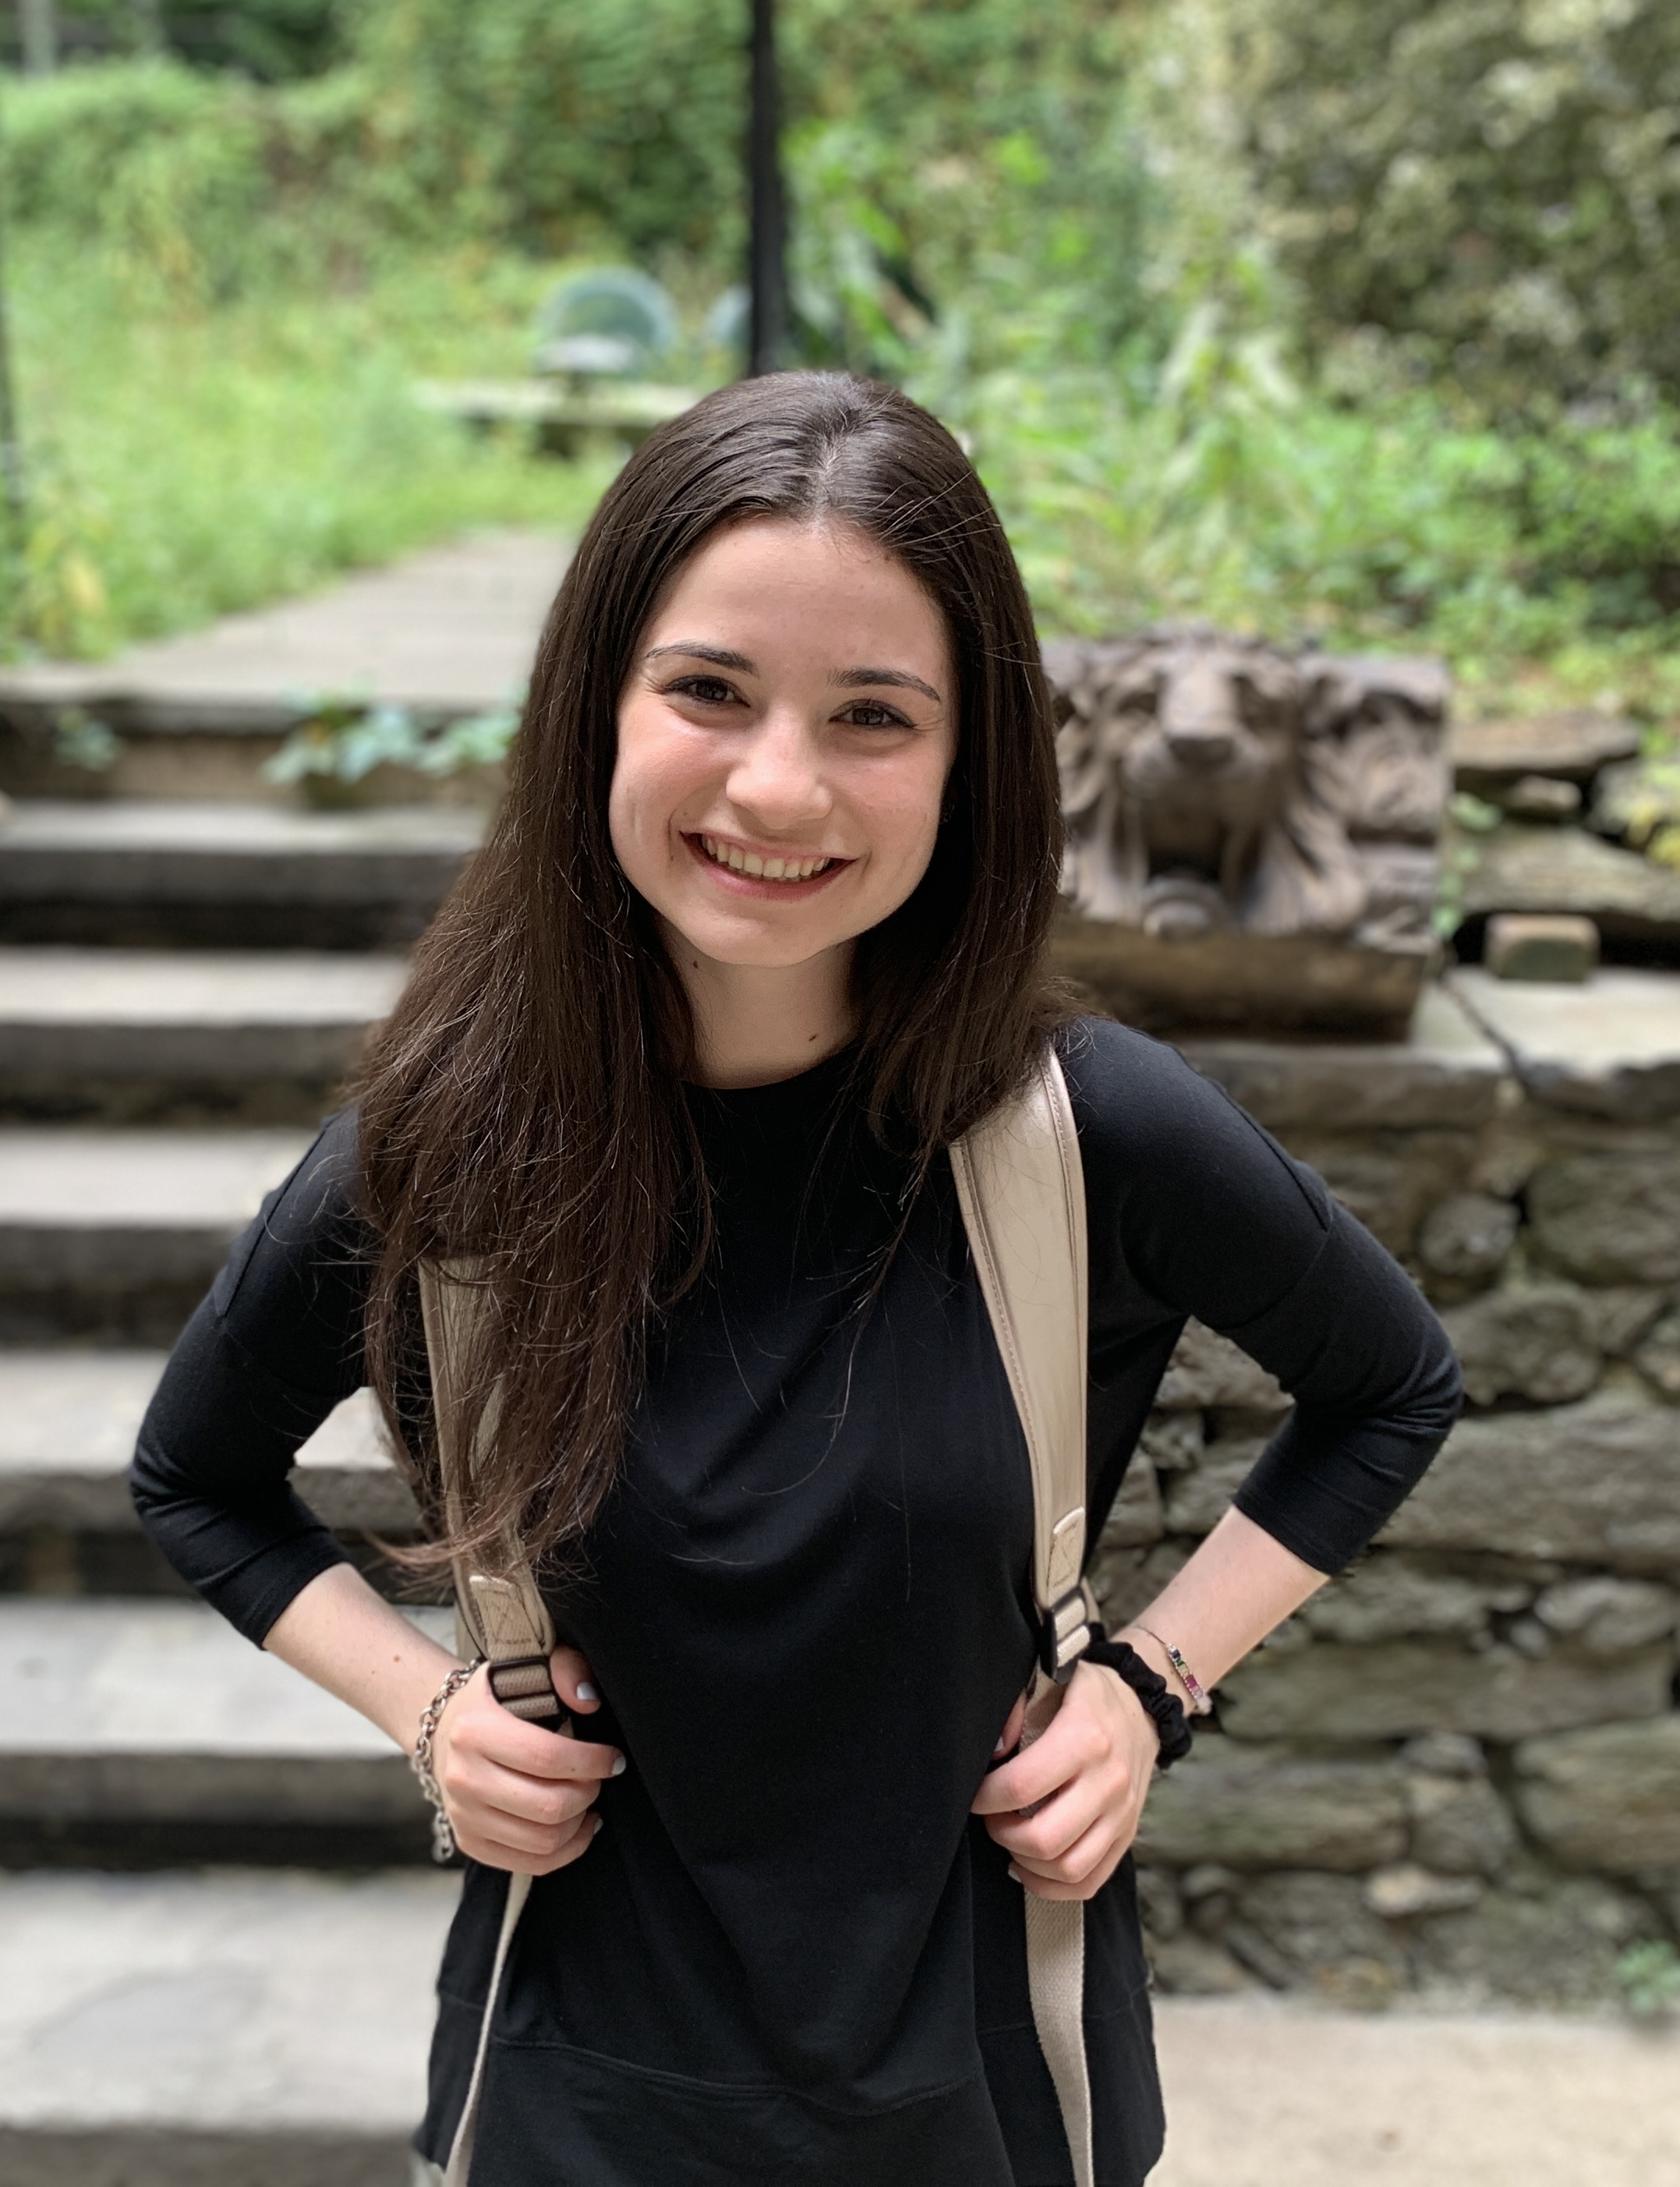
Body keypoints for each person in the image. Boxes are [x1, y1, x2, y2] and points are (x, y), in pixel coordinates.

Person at [132, 371, 1465, 2186]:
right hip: (575, 2100)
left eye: (873, 716)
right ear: (595, 704)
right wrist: (425, 1712)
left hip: (985, 2095)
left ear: (972, 760)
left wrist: (1147, 1687)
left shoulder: (1084, 1137)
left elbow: (1391, 1385)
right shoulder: (444, 1161)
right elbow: (195, 1477)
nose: (778, 782)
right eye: (709, 691)